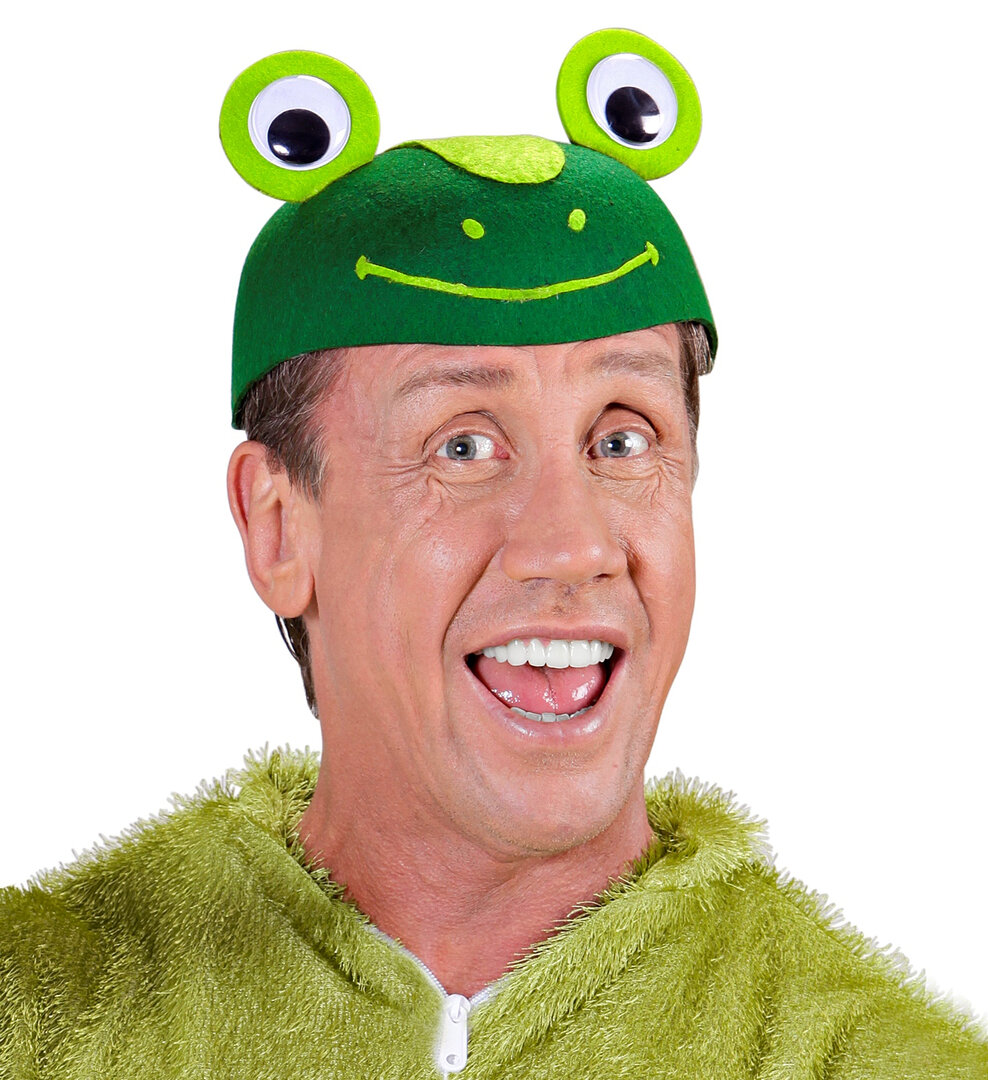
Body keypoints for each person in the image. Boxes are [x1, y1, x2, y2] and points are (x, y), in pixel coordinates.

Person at [2, 28, 985, 1080]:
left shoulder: (874, 1062)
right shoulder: (40, 1020)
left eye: (622, 441)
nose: (572, 548)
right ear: (278, 527)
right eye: (462, 447)